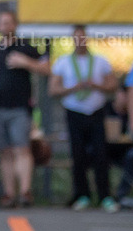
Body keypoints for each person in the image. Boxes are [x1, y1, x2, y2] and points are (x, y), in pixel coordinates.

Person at [0, 11, 50, 208]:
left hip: (19, 108)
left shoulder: (25, 48)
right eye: (1, 23)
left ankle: (25, 192)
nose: (4, 26)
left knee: (22, 148)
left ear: (15, 25)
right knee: (4, 152)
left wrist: (26, 62)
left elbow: (46, 68)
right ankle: (9, 193)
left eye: (8, 22)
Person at [49, 25, 118, 212]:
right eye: (76, 38)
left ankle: (105, 196)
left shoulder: (100, 61)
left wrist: (96, 85)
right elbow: (53, 89)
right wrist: (73, 88)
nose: (80, 42)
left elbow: (113, 84)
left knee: (100, 154)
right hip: (74, 111)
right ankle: (82, 194)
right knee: (77, 154)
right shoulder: (63, 62)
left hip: (95, 111)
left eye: (83, 38)